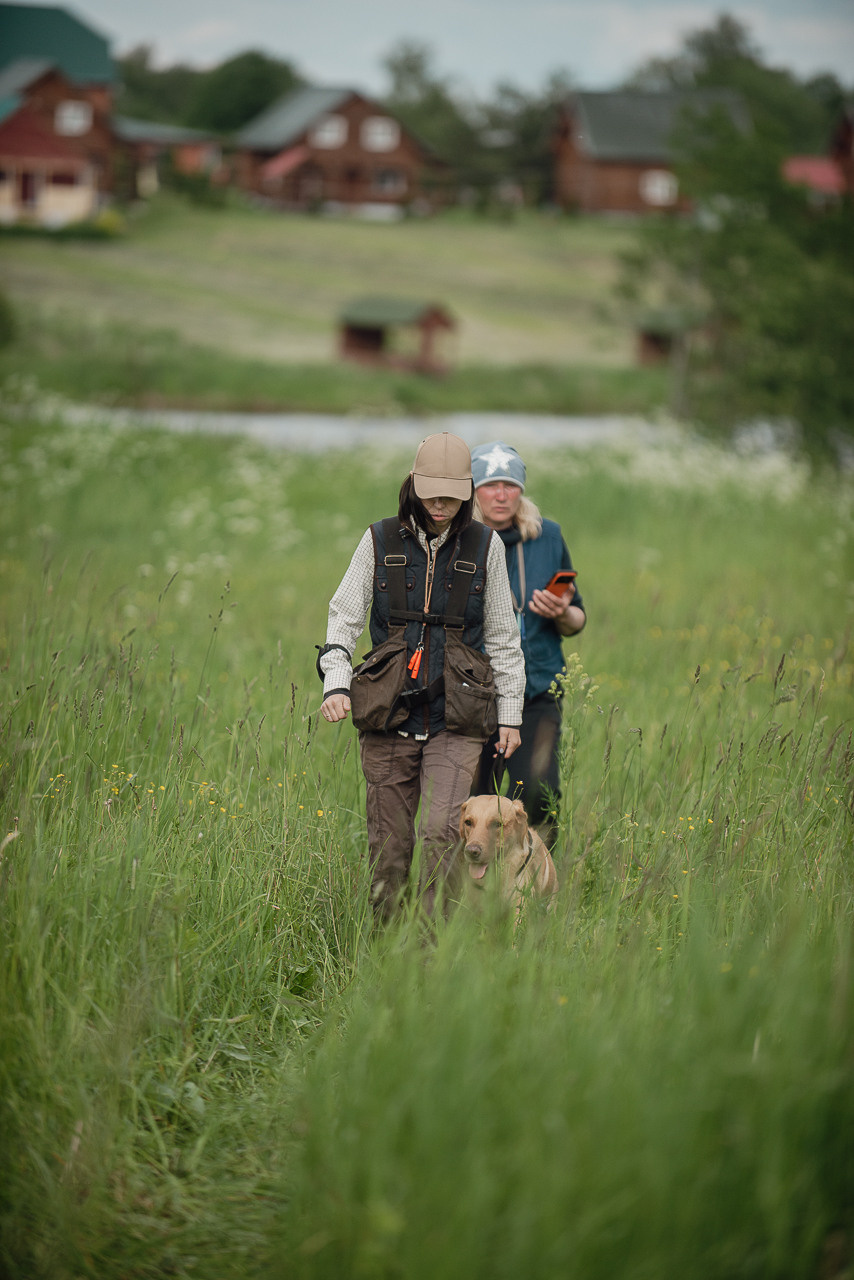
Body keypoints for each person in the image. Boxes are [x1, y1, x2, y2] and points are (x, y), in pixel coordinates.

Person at [318, 432, 525, 920]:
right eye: (431, 491)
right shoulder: (378, 540)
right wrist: (336, 683)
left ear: (467, 491)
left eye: (452, 495)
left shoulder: (486, 545)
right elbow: (343, 618)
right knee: (389, 845)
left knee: (440, 836)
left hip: (458, 717)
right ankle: (386, 943)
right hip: (388, 713)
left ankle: (431, 957)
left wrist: (511, 716)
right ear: (412, 484)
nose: (440, 504)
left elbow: (502, 637)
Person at [470, 441, 586, 849]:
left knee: (536, 794)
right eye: (490, 485)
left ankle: (537, 890)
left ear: (521, 490)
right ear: (473, 489)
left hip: (538, 688)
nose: (501, 495)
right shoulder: (462, 539)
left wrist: (560, 611)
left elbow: (577, 619)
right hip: (475, 693)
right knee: (473, 799)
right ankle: (473, 892)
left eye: (510, 485)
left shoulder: (548, 536)